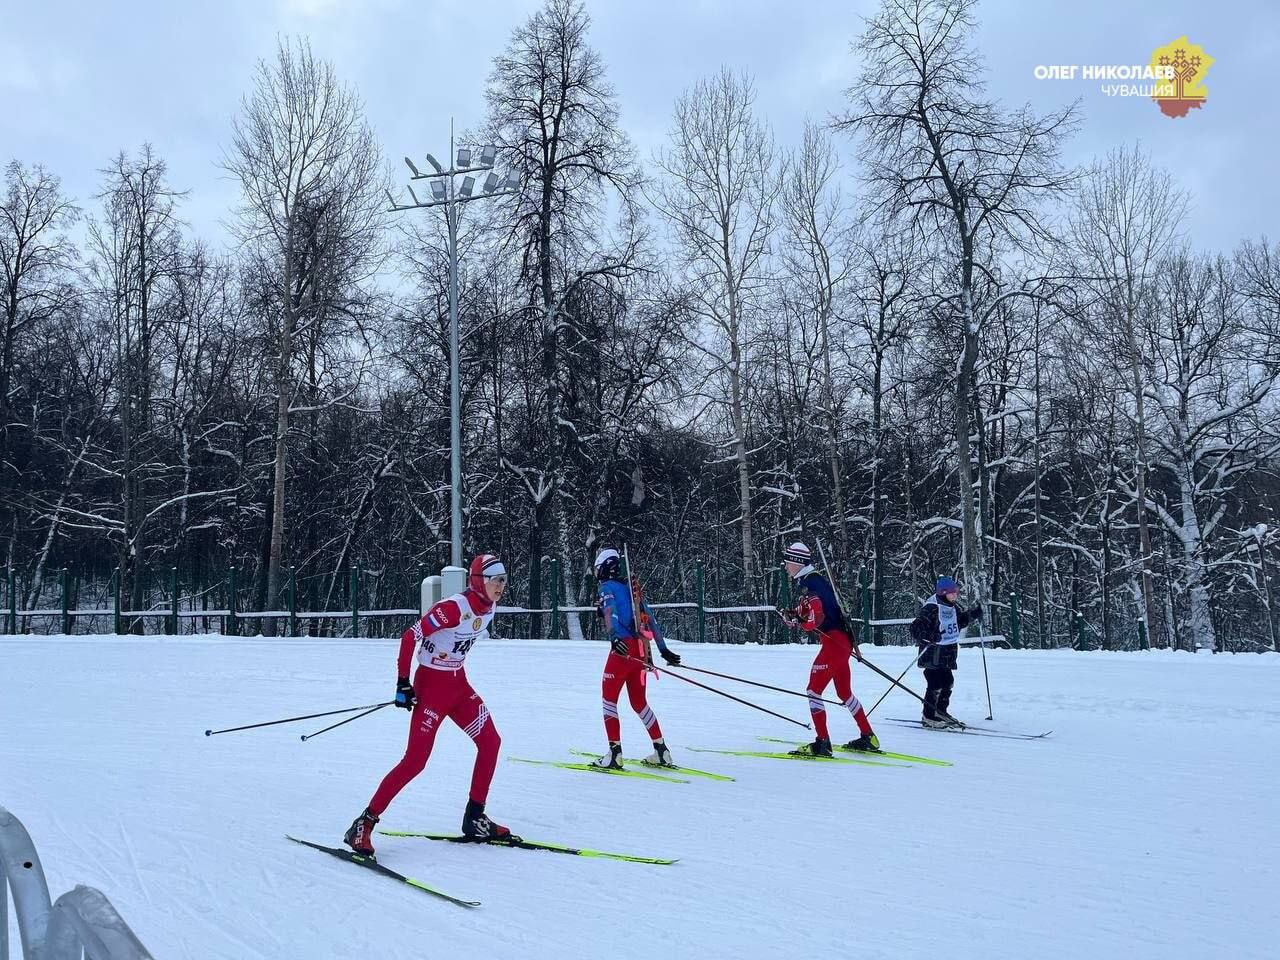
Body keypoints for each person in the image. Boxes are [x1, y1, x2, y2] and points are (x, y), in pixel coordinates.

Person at [343, 554, 512, 856]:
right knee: (415, 761)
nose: (501, 586)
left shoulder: (490, 608)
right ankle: (363, 823)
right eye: (495, 580)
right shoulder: (452, 609)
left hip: (458, 685)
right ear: (479, 581)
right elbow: (410, 637)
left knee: (491, 742)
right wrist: (402, 683)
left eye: (503, 580)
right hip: (432, 688)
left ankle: (475, 817)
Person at [779, 542, 881, 756]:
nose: (786, 566)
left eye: (788, 562)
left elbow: (815, 617)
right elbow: (812, 610)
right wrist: (794, 615)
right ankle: (868, 737)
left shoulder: (810, 584)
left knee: (813, 690)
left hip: (834, 643)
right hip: (841, 642)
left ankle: (822, 743)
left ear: (797, 562)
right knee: (844, 692)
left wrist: (798, 622)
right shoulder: (813, 581)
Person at [591, 547, 681, 770]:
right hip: (641, 650)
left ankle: (614, 753)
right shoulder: (632, 590)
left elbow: (610, 610)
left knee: (608, 698)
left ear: (603, 568)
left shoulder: (606, 587)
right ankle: (661, 750)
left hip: (622, 651)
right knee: (639, 702)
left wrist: (613, 637)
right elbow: (650, 619)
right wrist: (663, 649)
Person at [909, 575, 983, 728]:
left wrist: (973, 614)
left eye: (956, 591)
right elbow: (915, 628)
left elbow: (959, 622)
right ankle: (928, 715)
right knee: (935, 684)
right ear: (943, 593)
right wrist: (930, 636)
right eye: (952, 592)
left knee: (948, 682)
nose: (955, 595)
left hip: (947, 653)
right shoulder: (931, 607)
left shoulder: (952, 607)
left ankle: (940, 711)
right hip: (932, 654)